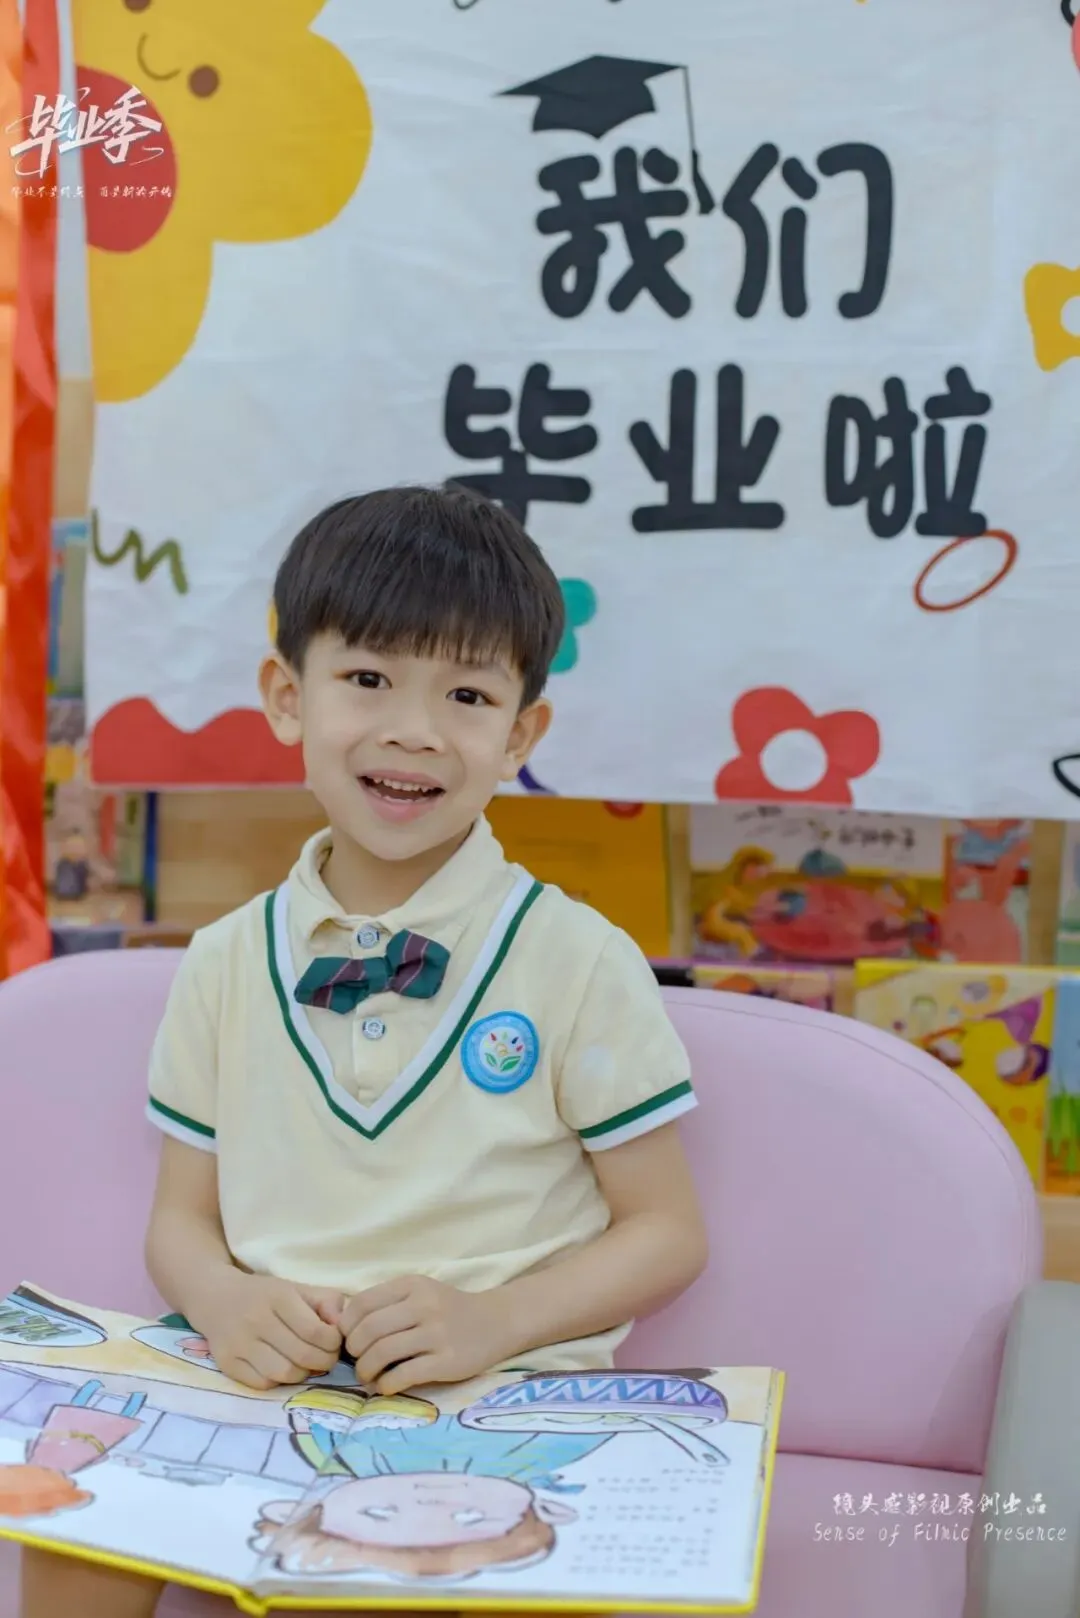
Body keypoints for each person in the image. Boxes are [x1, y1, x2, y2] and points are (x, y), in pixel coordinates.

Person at [22, 485, 707, 1617]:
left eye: (468, 695)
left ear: (521, 734)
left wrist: (494, 1319)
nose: (415, 729)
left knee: (389, 1560)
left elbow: (667, 1231)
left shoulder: (578, 957)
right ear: (287, 697)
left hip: (490, 1392)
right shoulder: (225, 960)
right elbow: (180, 1220)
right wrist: (224, 1301)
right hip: (261, 1378)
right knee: (68, 1519)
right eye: (369, 679)